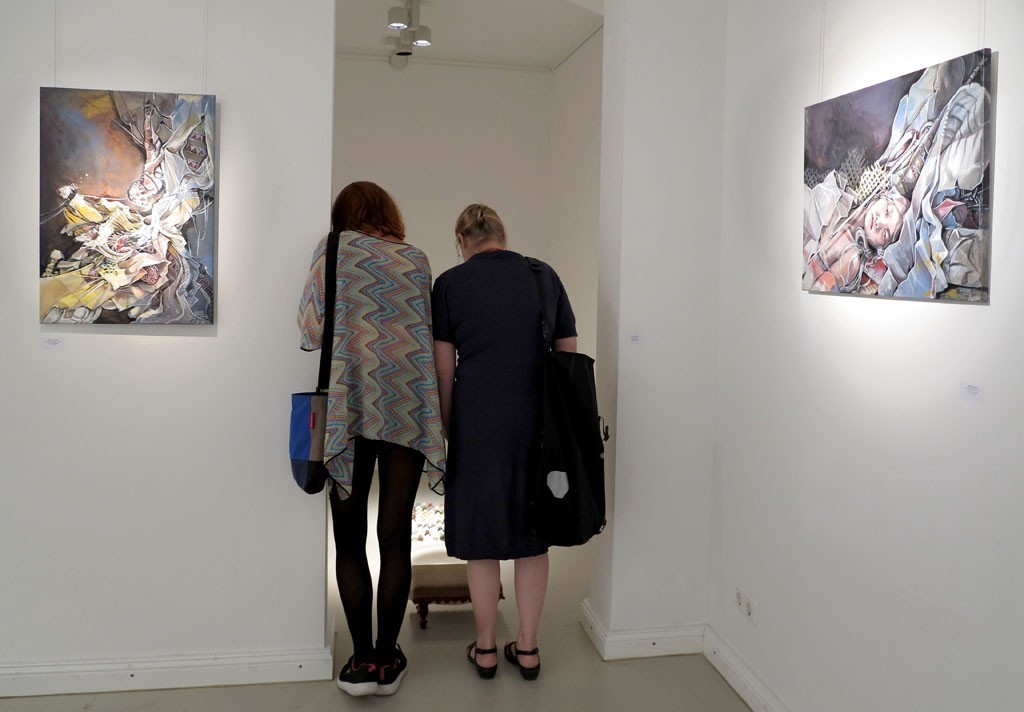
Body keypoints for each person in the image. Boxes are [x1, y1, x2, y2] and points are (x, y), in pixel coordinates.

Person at [297, 181, 445, 697]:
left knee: (349, 537)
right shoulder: (416, 259)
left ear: (345, 214)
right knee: (395, 533)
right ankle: (388, 659)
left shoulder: (333, 249)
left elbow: (309, 330)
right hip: (407, 405)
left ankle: (361, 661)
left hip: (350, 405)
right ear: (388, 213)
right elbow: (425, 334)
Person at [431, 204, 578, 681]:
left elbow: (444, 369)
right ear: (502, 235)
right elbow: (568, 353)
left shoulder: (449, 284)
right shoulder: (543, 275)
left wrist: (450, 425)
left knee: (483, 539)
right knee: (534, 538)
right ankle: (529, 649)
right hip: (538, 423)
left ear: (462, 240)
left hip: (477, 423)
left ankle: (487, 650)